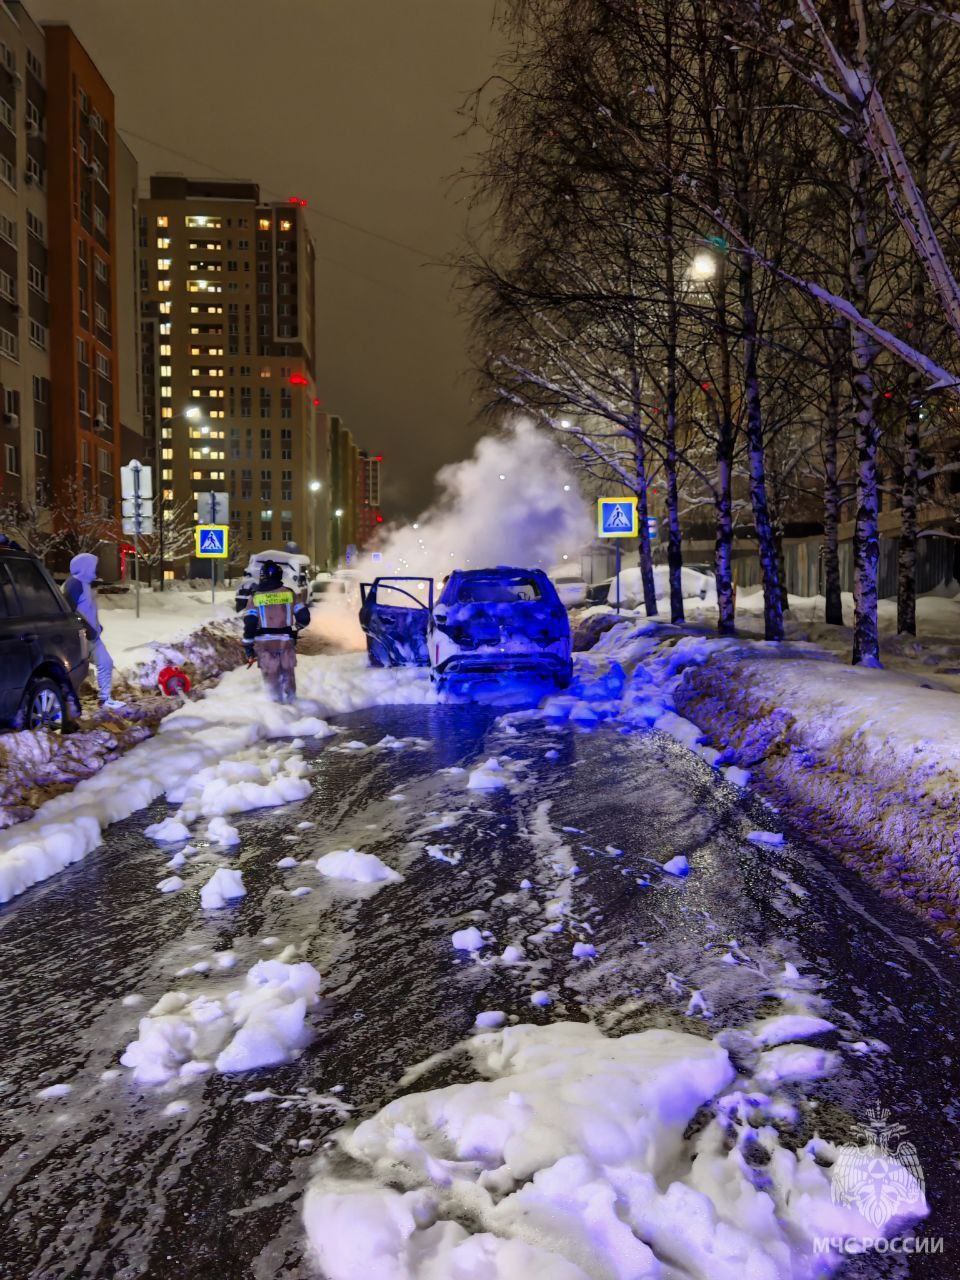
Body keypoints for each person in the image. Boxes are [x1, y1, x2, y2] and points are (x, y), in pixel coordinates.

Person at [62, 552, 126, 712]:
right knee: (76, 671)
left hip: (92, 636)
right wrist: (86, 628)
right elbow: (69, 612)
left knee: (105, 662)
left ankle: (105, 699)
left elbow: (87, 610)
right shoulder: (73, 584)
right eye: (92, 567)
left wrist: (97, 627)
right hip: (80, 637)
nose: (95, 571)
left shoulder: (85, 584)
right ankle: (69, 707)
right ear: (84, 567)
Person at [243, 560, 310, 703]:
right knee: (288, 677)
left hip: (264, 646)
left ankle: (276, 711)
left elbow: (250, 623)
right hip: (286, 643)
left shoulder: (255, 597)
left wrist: (248, 645)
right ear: (279, 575)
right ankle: (293, 708)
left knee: (271, 680)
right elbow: (304, 618)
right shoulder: (290, 594)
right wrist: (295, 629)